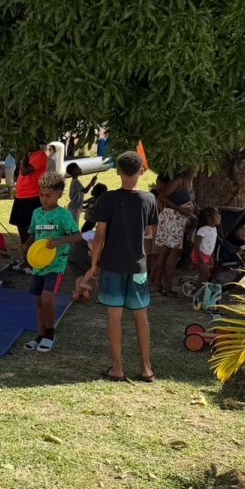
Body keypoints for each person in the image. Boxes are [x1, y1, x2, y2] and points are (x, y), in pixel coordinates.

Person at [85, 151, 159, 383]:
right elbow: (150, 233)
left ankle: (118, 368)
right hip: (138, 266)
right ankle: (147, 368)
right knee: (141, 316)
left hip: (112, 266)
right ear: (142, 171)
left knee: (114, 317)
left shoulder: (107, 199)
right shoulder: (149, 199)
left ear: (117, 171)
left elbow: (99, 236)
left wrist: (93, 264)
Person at [22, 173, 82, 352]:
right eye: (41, 195)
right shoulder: (36, 213)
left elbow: (77, 235)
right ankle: (39, 335)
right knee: (39, 301)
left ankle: (49, 333)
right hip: (38, 264)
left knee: (48, 298)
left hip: (56, 264)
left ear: (59, 194)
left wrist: (58, 242)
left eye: (48, 195)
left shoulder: (63, 215)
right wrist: (26, 245)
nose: (44, 199)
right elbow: (33, 233)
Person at [153, 168, 196, 298]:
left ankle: (157, 284)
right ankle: (167, 287)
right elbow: (162, 196)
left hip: (179, 219)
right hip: (172, 218)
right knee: (173, 253)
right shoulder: (179, 180)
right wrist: (180, 210)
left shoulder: (191, 180)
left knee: (166, 252)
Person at [9, 143, 49, 265]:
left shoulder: (41, 155)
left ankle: (32, 260)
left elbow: (25, 171)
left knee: (29, 229)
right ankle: (25, 260)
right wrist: (24, 154)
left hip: (32, 196)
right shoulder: (30, 155)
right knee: (21, 228)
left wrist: (26, 153)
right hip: (21, 196)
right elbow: (18, 163)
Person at [192, 207, 220, 285]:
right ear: (210, 218)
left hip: (205, 255)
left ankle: (200, 290)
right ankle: (197, 294)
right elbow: (196, 245)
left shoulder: (214, 229)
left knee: (204, 275)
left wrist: (210, 256)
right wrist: (199, 257)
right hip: (200, 255)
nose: (219, 217)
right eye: (217, 215)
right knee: (205, 275)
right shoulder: (202, 230)